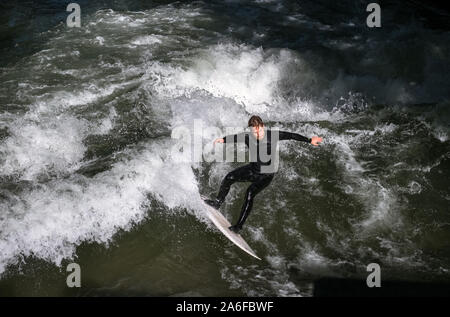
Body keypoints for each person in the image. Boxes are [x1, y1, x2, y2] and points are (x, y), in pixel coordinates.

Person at [205, 115, 323, 233]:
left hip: (266, 175)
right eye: (254, 131)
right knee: (229, 177)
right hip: (252, 170)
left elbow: (291, 136)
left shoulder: (273, 136)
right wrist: (224, 139)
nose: (257, 134)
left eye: (259, 130)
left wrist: (309, 140)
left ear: (263, 126)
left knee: (250, 193)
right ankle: (217, 203)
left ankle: (238, 226)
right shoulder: (248, 137)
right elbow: (236, 137)